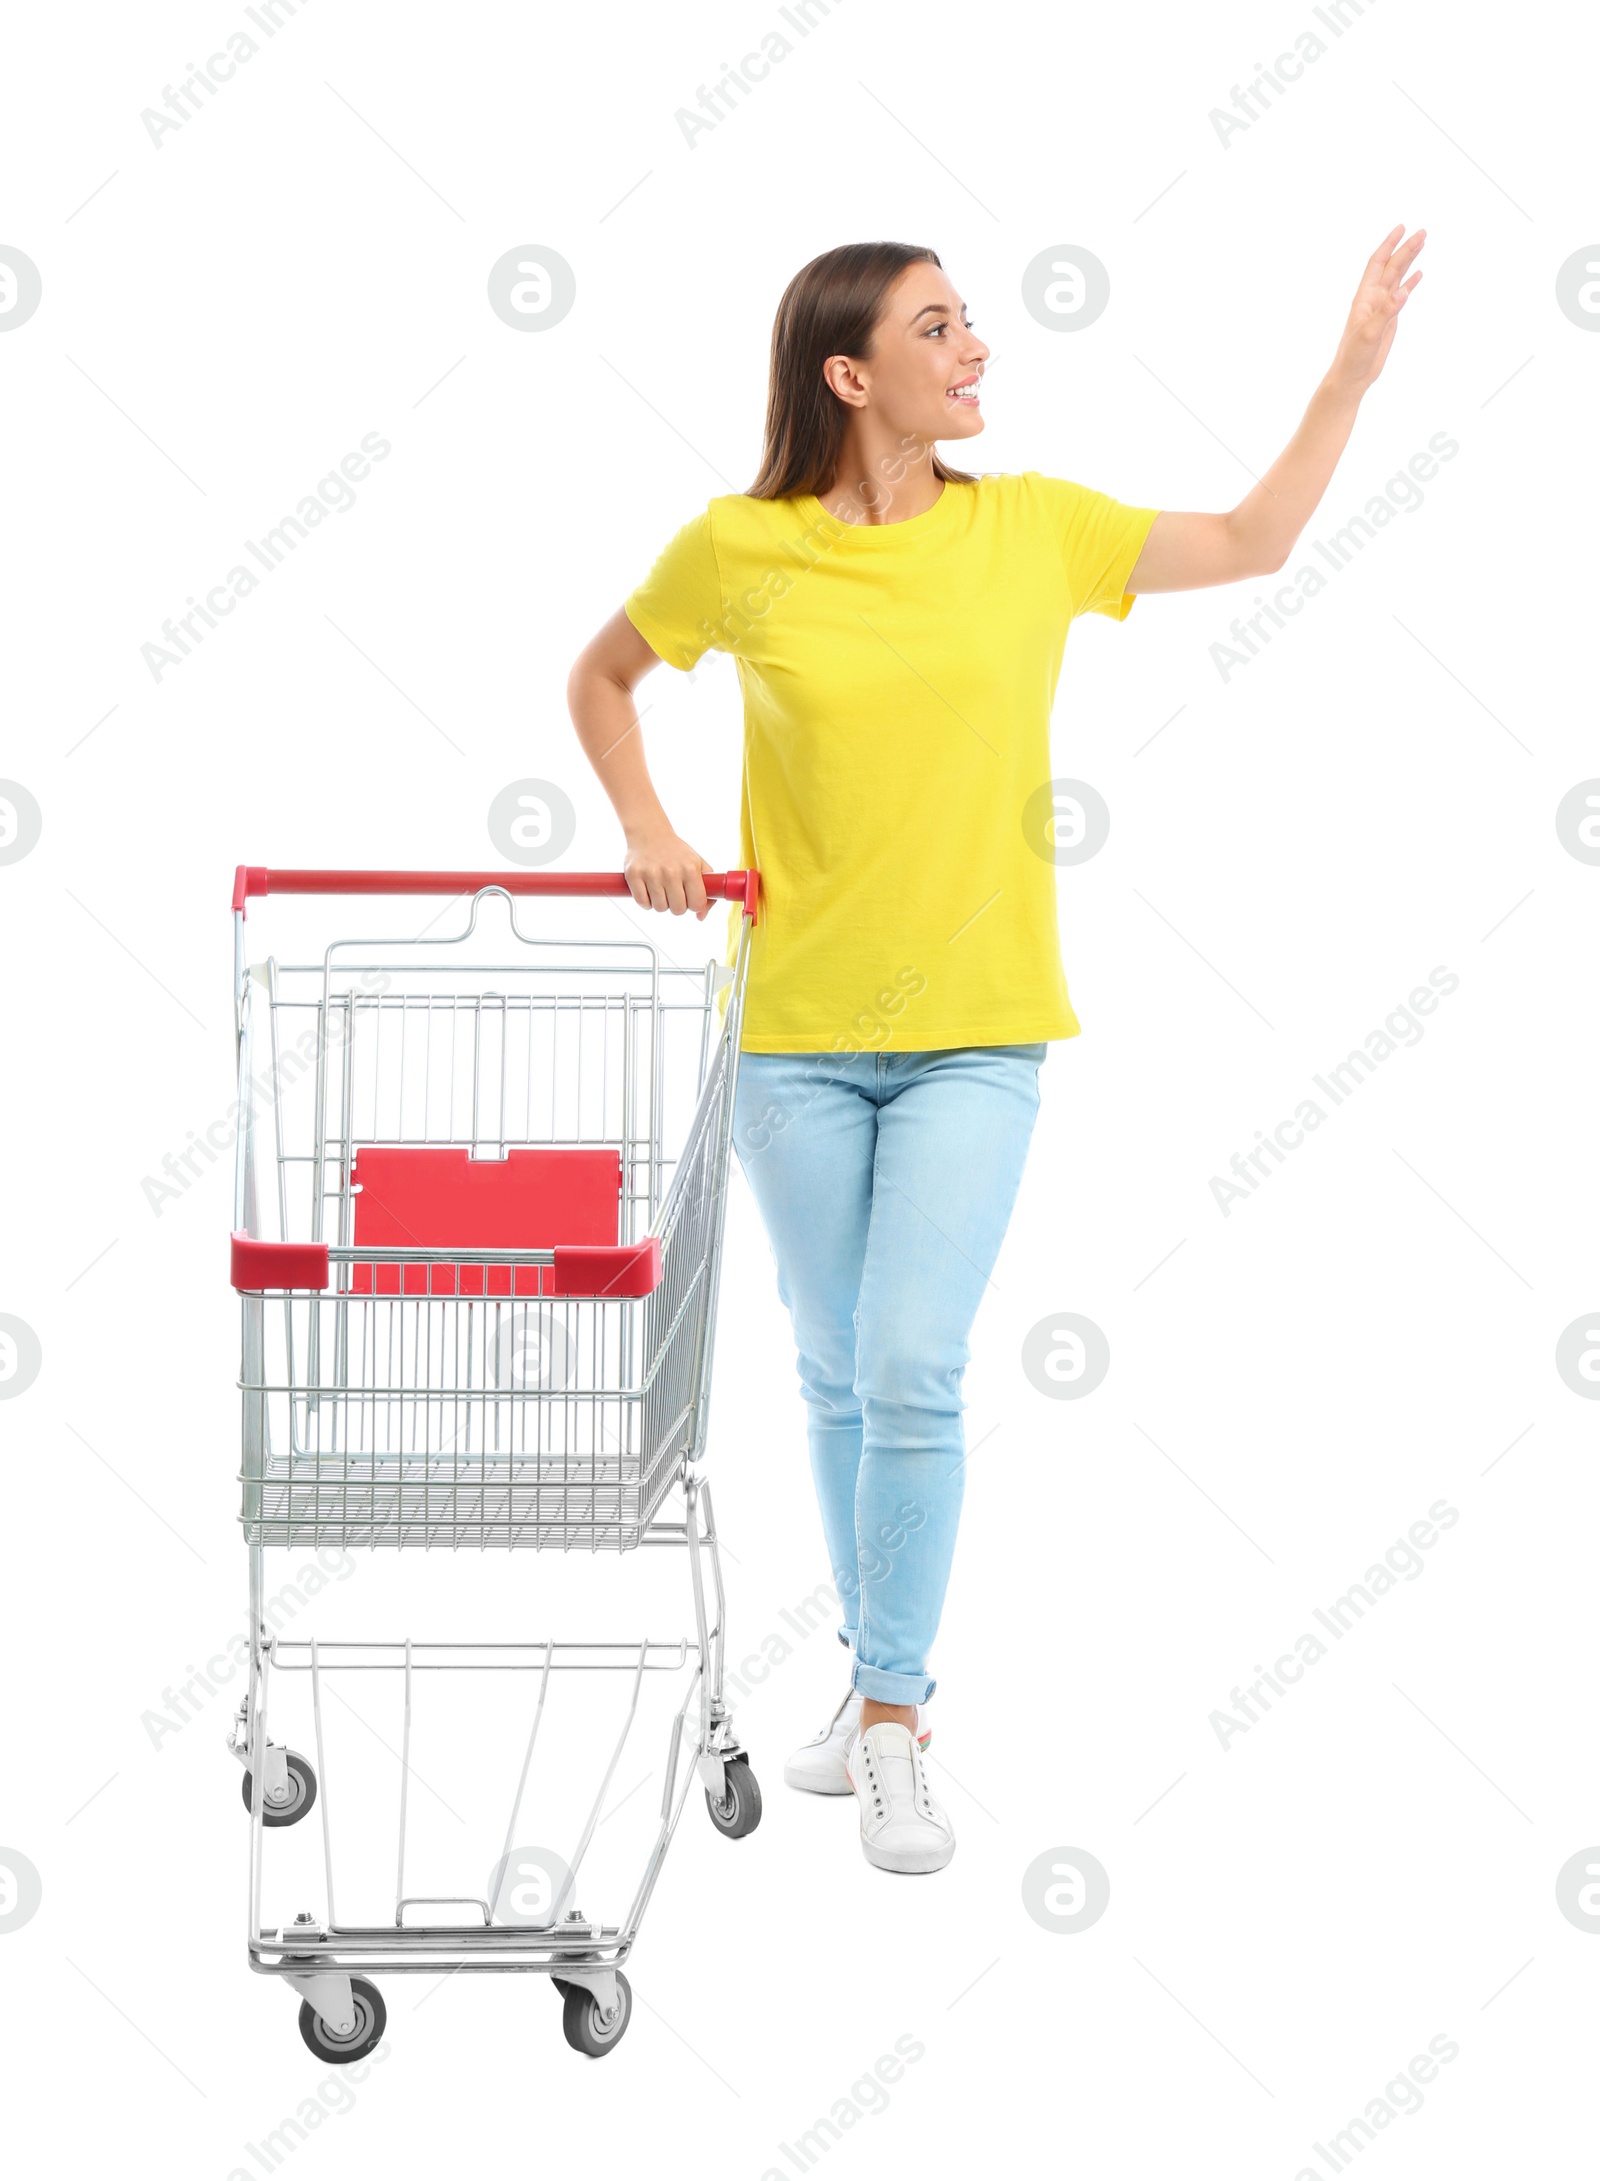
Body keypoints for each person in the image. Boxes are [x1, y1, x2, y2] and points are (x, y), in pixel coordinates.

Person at [567, 229, 1425, 1875]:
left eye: (970, 326)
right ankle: (863, 1697)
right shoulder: (739, 549)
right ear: (848, 374)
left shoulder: (1031, 528)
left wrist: (1350, 373)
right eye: (939, 329)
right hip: (796, 1037)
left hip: (978, 1040)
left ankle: (894, 1719)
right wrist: (648, 821)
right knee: (832, 1371)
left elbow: (1253, 539)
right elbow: (602, 677)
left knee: (907, 1361)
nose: (978, 352)